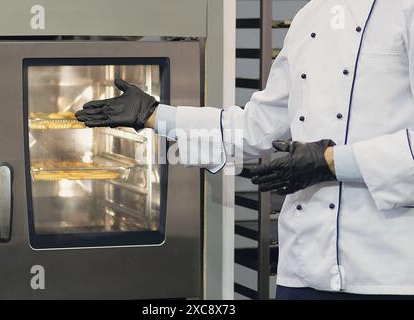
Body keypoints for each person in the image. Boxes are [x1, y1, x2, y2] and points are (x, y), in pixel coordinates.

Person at [76, 0, 414, 300]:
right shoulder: (308, 19)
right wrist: (154, 115)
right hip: (302, 270)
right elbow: (254, 129)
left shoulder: (403, 11)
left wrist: (331, 163)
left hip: (385, 274)